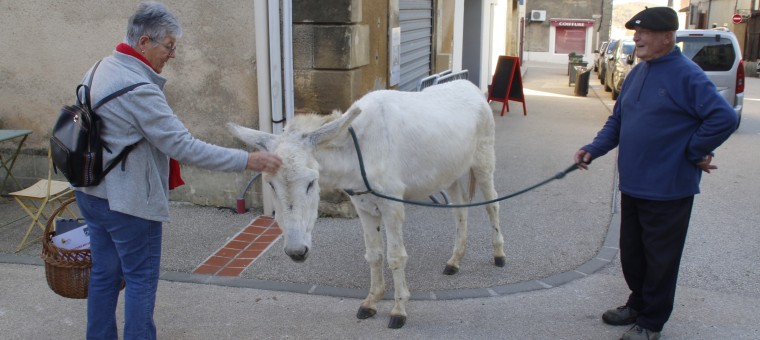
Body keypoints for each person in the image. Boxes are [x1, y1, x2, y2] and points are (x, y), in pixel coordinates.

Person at [73, 2, 282, 339]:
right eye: (168, 46)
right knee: (140, 280)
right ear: (143, 43)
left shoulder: (100, 68)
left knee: (104, 275)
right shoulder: (139, 90)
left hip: (90, 193)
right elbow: (184, 146)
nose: (172, 55)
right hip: (128, 205)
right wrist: (247, 160)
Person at [574, 7, 737, 340]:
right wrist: (594, 148)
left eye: (644, 32)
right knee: (633, 254)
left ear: (667, 37)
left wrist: (692, 151)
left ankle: (652, 323)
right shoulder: (638, 72)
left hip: (669, 188)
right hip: (633, 183)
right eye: (636, 32)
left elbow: (723, 117)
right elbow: (618, 120)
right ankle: (638, 303)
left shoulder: (686, 74)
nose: (637, 38)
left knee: (661, 260)